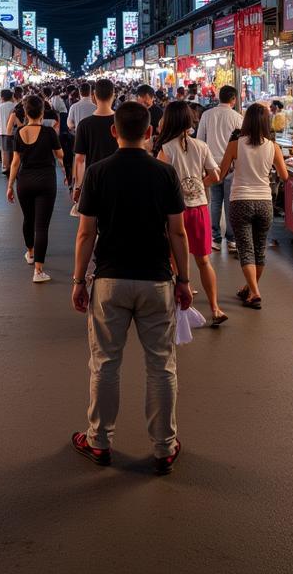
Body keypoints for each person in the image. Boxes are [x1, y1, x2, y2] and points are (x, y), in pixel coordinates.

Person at [71, 101, 192, 475]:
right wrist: (184, 280)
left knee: (105, 364)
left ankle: (100, 442)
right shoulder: (164, 173)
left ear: (113, 131)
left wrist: (78, 280)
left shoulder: (97, 172)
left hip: (109, 280)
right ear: (150, 131)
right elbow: (177, 231)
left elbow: (86, 232)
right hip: (156, 280)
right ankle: (163, 448)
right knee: (161, 366)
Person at [154, 101, 226, 326]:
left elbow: (158, 181)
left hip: (176, 212)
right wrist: (197, 184)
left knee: (176, 262)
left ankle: (184, 307)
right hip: (200, 209)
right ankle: (215, 308)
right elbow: (216, 176)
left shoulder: (166, 149)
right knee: (204, 261)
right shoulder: (201, 146)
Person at [219, 103, 288, 309]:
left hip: (240, 200)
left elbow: (221, 174)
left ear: (246, 121)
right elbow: (284, 176)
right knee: (259, 249)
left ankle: (255, 292)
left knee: (245, 249)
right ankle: (250, 290)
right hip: (264, 202)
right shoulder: (273, 146)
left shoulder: (235, 144)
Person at [7, 95, 63, 282]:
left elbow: (15, 163)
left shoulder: (19, 132)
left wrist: (9, 186)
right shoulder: (49, 132)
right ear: (41, 112)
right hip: (46, 181)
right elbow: (60, 154)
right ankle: (38, 271)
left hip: (25, 182)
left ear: (25, 112)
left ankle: (30, 253)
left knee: (28, 219)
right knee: (42, 226)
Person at [196, 86, 243, 253]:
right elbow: (241, 144)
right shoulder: (237, 117)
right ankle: (231, 239)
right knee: (230, 202)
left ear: (218, 97)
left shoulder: (207, 115)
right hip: (231, 166)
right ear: (233, 99)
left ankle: (214, 237)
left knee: (215, 201)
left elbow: (200, 140)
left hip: (212, 165)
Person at [72, 78, 118, 203]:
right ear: (113, 95)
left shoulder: (84, 125)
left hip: (92, 180)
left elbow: (80, 160)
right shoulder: (121, 122)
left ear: (94, 96)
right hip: (118, 180)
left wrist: (78, 187)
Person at [0, 88, 17, 175]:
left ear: (2, 97)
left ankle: (5, 167)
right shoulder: (14, 106)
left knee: (4, 151)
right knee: (14, 150)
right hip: (14, 132)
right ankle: (14, 166)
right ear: (11, 96)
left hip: (2, 132)